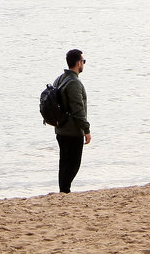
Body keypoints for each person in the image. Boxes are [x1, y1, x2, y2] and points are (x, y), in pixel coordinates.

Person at [52, 49, 91, 193]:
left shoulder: (60, 79)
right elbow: (78, 110)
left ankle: (63, 191)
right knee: (73, 164)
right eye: (83, 61)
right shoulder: (74, 83)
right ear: (78, 63)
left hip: (60, 128)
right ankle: (65, 190)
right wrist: (86, 130)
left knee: (64, 163)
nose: (83, 64)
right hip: (72, 131)